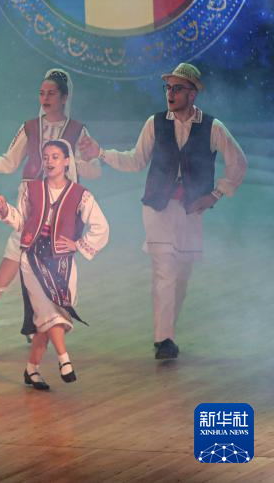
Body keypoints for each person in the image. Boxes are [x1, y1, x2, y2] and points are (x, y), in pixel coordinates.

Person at [78, 63, 246, 360]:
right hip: (157, 206)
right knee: (164, 269)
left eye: (177, 88)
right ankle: (163, 340)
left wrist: (216, 194)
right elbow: (135, 160)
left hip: (191, 210)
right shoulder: (155, 123)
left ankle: (167, 332)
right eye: (168, 87)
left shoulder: (213, 127)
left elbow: (238, 162)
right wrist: (101, 153)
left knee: (181, 275)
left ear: (192, 94)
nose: (170, 93)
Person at [0, 68, 100, 328]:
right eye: (41, 93)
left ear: (64, 97)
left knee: (46, 255)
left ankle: (36, 317)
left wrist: (87, 158)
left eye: (51, 93)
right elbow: (9, 162)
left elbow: (94, 171)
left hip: (62, 197)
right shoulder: (30, 127)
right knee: (21, 240)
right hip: (32, 193)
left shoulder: (78, 131)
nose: (45, 98)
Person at [0, 139, 109, 390]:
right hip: (32, 257)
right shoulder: (31, 189)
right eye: (46, 156)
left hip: (62, 262)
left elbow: (101, 227)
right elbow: (21, 221)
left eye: (55, 156)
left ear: (66, 161)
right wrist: (4, 209)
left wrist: (79, 245)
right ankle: (65, 360)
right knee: (49, 312)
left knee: (50, 319)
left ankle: (32, 369)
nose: (49, 161)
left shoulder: (80, 194)